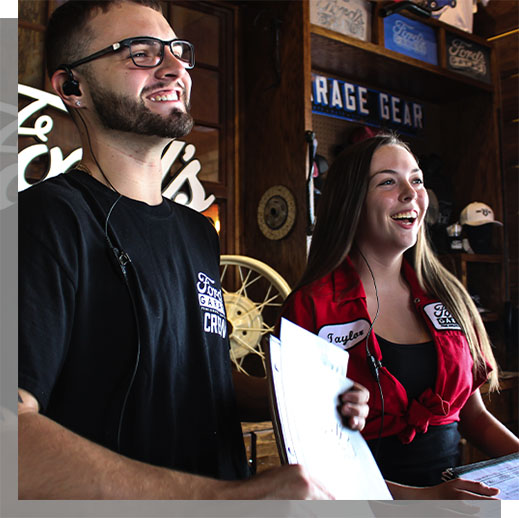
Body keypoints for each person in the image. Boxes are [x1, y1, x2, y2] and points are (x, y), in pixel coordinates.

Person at [17, 0, 369, 500]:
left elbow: (200, 375)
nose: (176, 67)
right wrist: (222, 501)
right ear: (72, 86)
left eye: (177, 51)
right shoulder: (44, 220)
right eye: (139, 53)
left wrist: (296, 400)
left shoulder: (198, 233)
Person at [280, 133, 519, 499]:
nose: (411, 193)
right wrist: (424, 500)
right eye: (388, 182)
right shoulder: (310, 308)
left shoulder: (448, 295)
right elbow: (308, 457)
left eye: (417, 180)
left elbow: (474, 416)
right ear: (352, 201)